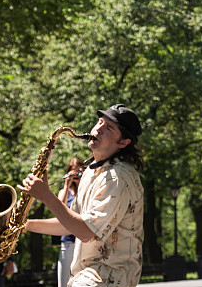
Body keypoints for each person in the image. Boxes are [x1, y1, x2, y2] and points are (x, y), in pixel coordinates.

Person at [20, 104, 144, 287]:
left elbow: (86, 232)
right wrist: (23, 225)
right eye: (100, 122)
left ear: (123, 142)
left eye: (108, 128)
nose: (98, 129)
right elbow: (71, 224)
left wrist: (46, 196)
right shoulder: (91, 171)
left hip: (110, 277)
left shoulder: (117, 178)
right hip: (90, 275)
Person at [56, 157, 84, 287]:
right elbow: (58, 209)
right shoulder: (64, 191)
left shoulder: (87, 190)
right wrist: (66, 184)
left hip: (84, 241)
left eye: (79, 172)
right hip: (67, 242)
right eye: (73, 173)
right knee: (64, 282)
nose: (76, 176)